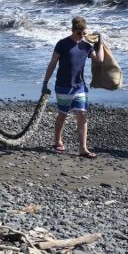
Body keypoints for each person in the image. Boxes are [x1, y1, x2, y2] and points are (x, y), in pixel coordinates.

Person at [42, 16, 105, 159]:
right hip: (63, 86)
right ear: (72, 30)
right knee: (63, 114)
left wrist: (100, 43)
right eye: (78, 33)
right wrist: (45, 83)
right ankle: (57, 140)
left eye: (83, 34)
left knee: (82, 115)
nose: (80, 36)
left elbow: (99, 60)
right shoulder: (62, 44)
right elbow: (52, 64)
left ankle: (83, 148)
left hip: (80, 86)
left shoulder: (86, 46)